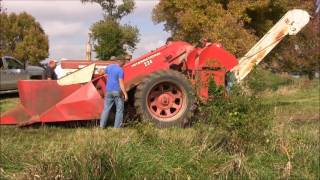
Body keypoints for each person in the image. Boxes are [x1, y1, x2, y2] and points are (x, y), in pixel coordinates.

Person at [99, 59, 128, 128]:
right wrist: (125, 94)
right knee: (119, 110)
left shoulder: (110, 66)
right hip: (117, 92)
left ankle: (101, 126)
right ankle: (117, 128)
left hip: (108, 91)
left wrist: (99, 71)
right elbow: (121, 83)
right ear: (122, 64)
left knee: (106, 109)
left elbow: (101, 73)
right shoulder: (120, 70)